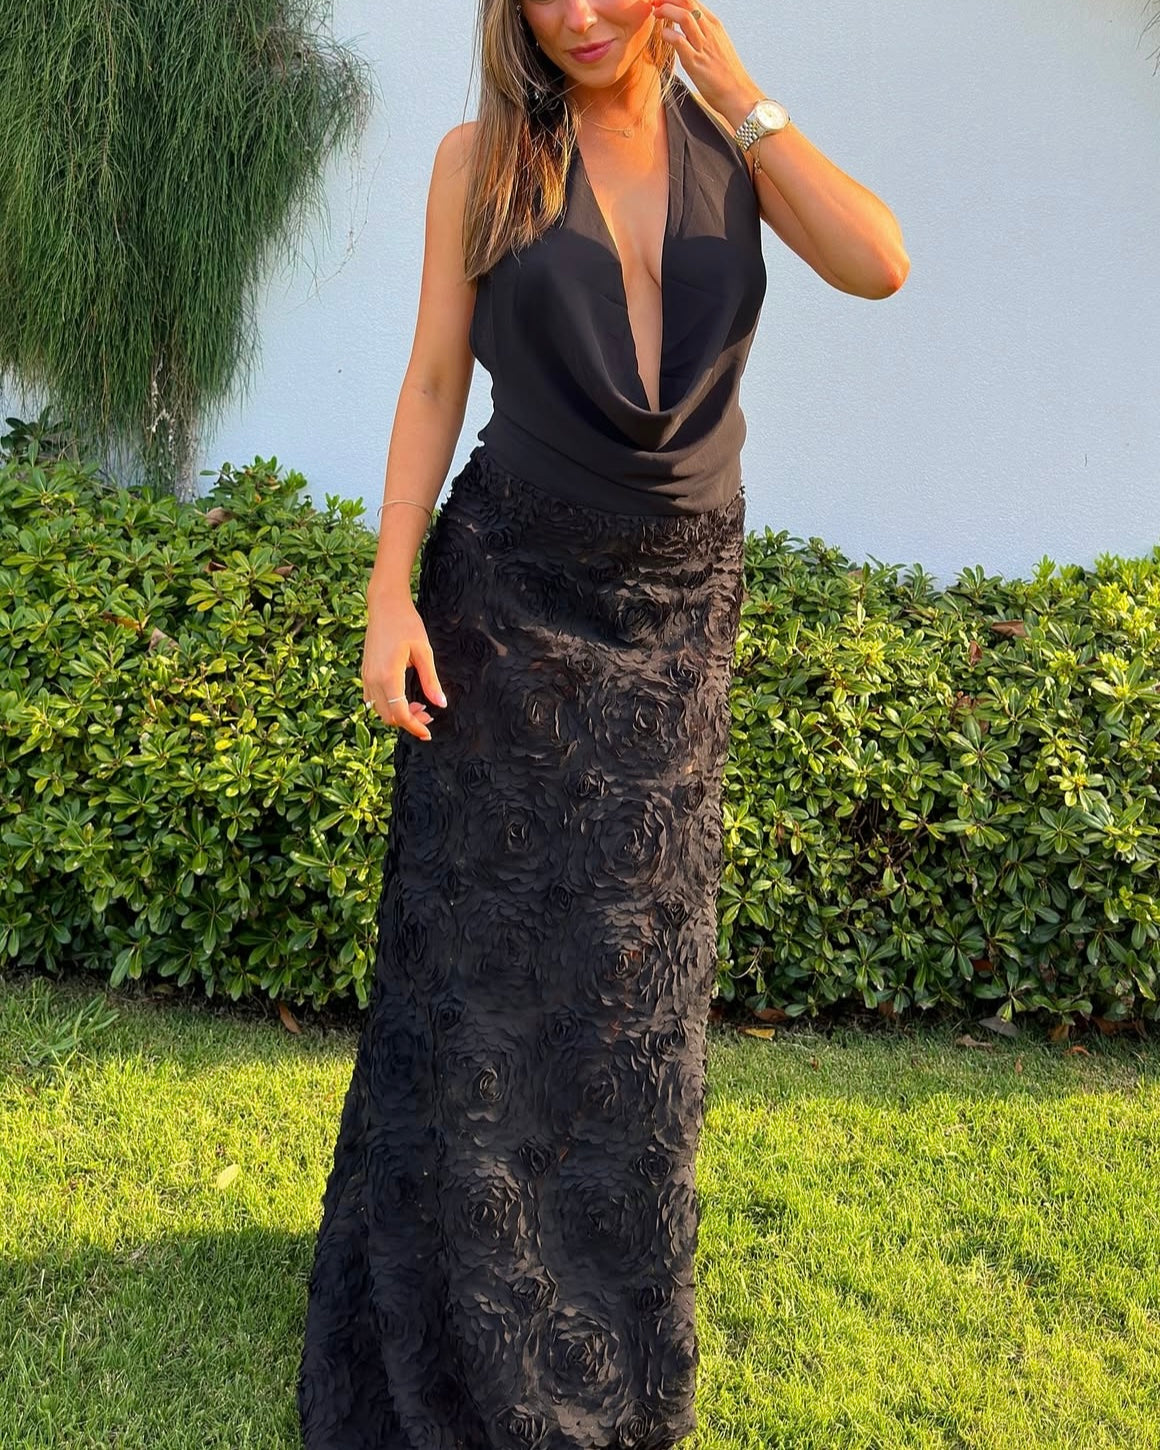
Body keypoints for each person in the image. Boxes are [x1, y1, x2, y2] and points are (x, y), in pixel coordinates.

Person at [298, 2, 908, 1446]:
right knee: (485, 970)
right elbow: (435, 377)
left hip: (679, 609)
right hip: (509, 594)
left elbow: (878, 262)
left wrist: (746, 98)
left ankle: (600, 1322)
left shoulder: (733, 150)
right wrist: (389, 593)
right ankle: (461, 1311)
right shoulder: (482, 160)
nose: (577, 13)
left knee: (632, 979)